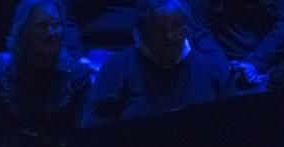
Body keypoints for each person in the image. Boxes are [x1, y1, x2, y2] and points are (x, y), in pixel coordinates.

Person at [81, 0, 232, 127]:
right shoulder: (117, 69)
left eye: (176, 27)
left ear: (187, 29)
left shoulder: (212, 68)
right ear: (142, 31)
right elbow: (95, 130)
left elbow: (230, 123)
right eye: (159, 29)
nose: (169, 36)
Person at [0, 0, 94, 144]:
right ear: (23, 30)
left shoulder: (78, 77)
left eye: (56, 24)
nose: (51, 32)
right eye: (42, 26)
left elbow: (83, 137)